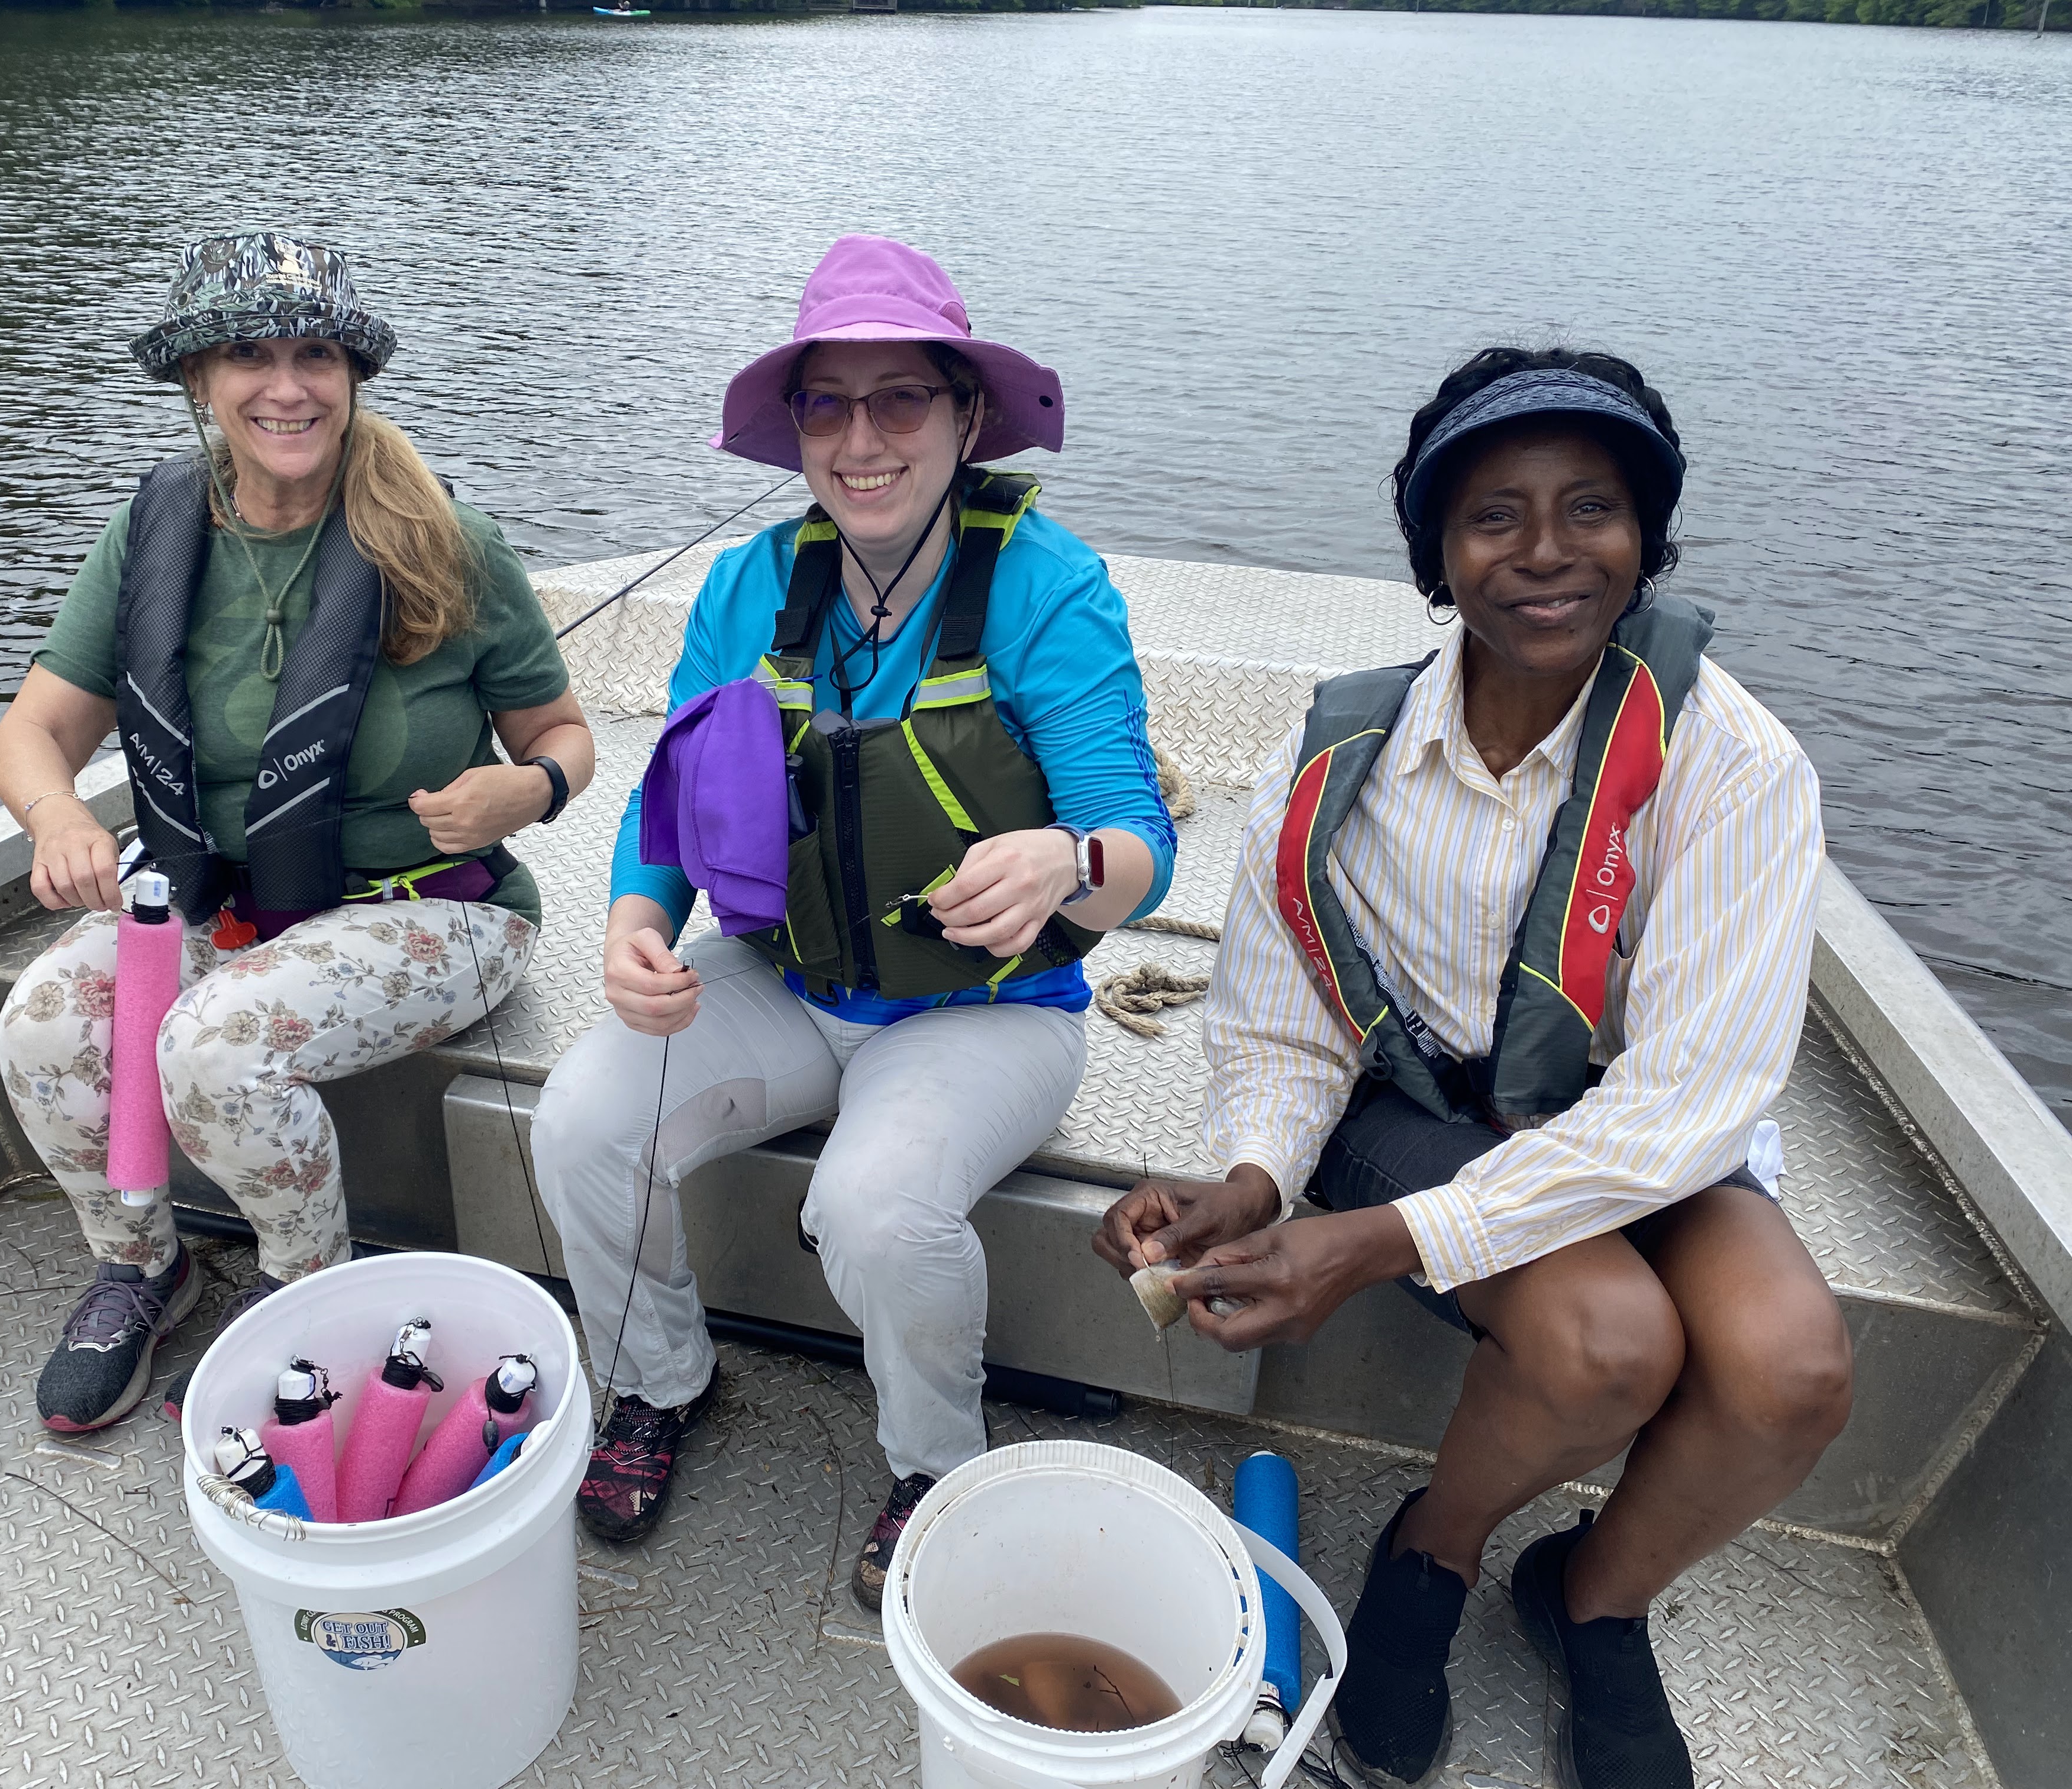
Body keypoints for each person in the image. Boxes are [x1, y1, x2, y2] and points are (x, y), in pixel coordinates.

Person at [1094, 348, 1853, 1789]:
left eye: (1595, 509)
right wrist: (1254, 1184)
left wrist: (1369, 1249)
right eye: (1495, 515)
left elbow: (1690, 1103)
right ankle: (1433, 1551)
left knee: (1793, 1369)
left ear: (1650, 537)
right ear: (1436, 553)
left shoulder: (1734, 765)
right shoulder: (1340, 760)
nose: (1549, 552)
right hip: (1432, 1109)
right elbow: (1285, 1025)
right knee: (1608, 1341)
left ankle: (1591, 1594)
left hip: (1643, 1132)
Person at [531, 235, 1176, 1606]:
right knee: (583, 1117)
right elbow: (672, 798)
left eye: (900, 401)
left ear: (967, 418)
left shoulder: (1051, 587)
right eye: (827, 404)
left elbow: (1143, 848)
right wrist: (635, 926)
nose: (861, 438)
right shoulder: (750, 584)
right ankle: (653, 1383)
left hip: (987, 1014)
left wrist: (1066, 859)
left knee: (873, 1206)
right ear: (797, 430)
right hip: (782, 978)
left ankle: (937, 1469)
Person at [0, 232, 593, 1435]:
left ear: (352, 374)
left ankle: (305, 1305)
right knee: (41, 1019)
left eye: (317, 354)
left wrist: (524, 792)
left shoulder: (446, 541)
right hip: (228, 908)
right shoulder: (155, 534)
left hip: (434, 911)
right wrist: (56, 812)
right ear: (198, 383)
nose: (288, 386)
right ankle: (142, 1268)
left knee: (215, 1044)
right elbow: (31, 734)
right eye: (248, 357)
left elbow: (565, 731)